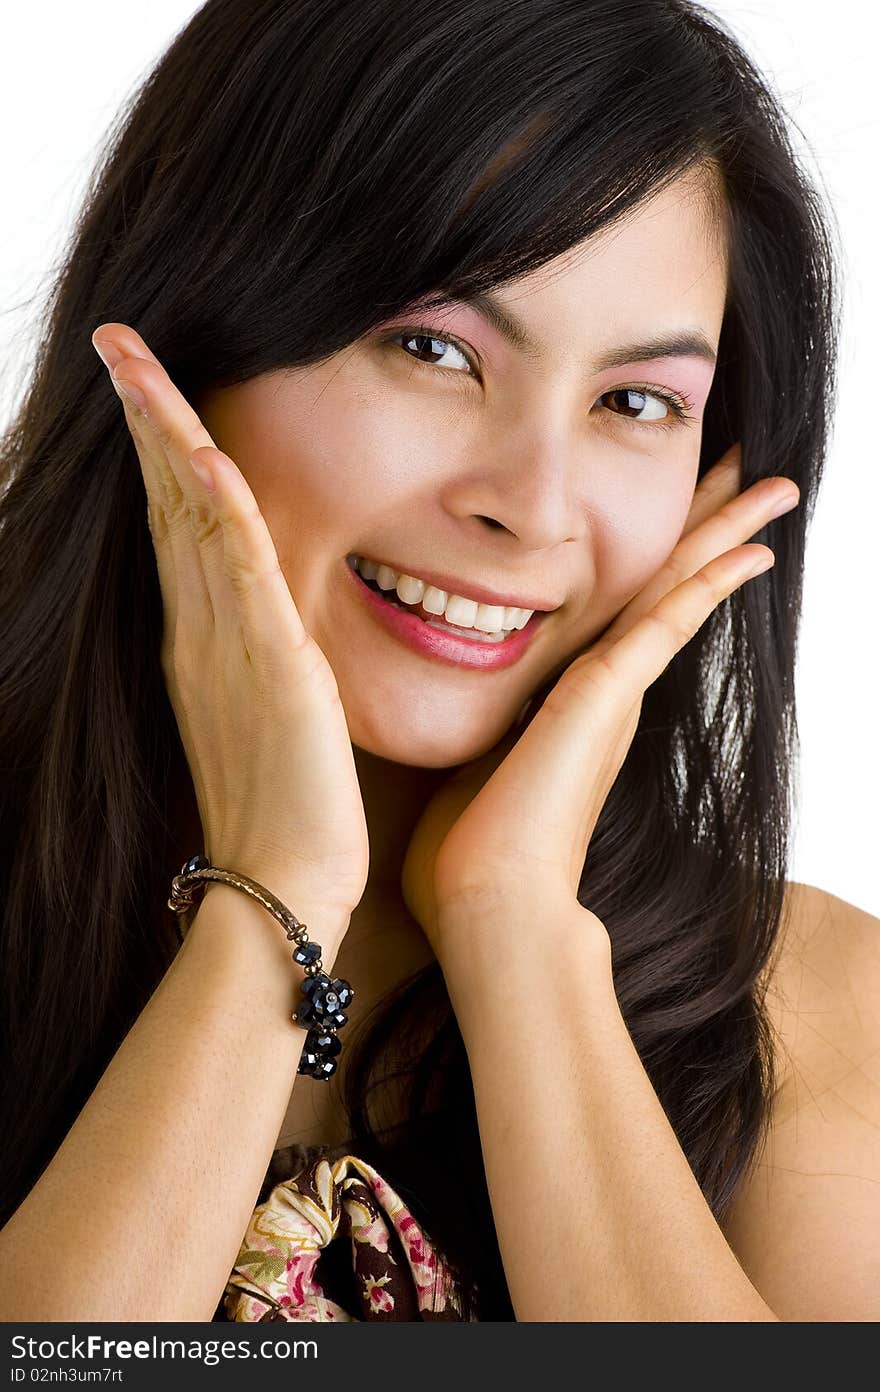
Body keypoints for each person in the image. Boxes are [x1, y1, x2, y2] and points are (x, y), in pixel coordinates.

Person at [0, 0, 876, 1324]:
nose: (531, 501)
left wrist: (518, 923)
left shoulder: (808, 1007)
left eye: (636, 404)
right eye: (431, 349)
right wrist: (273, 902)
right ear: (184, 338)